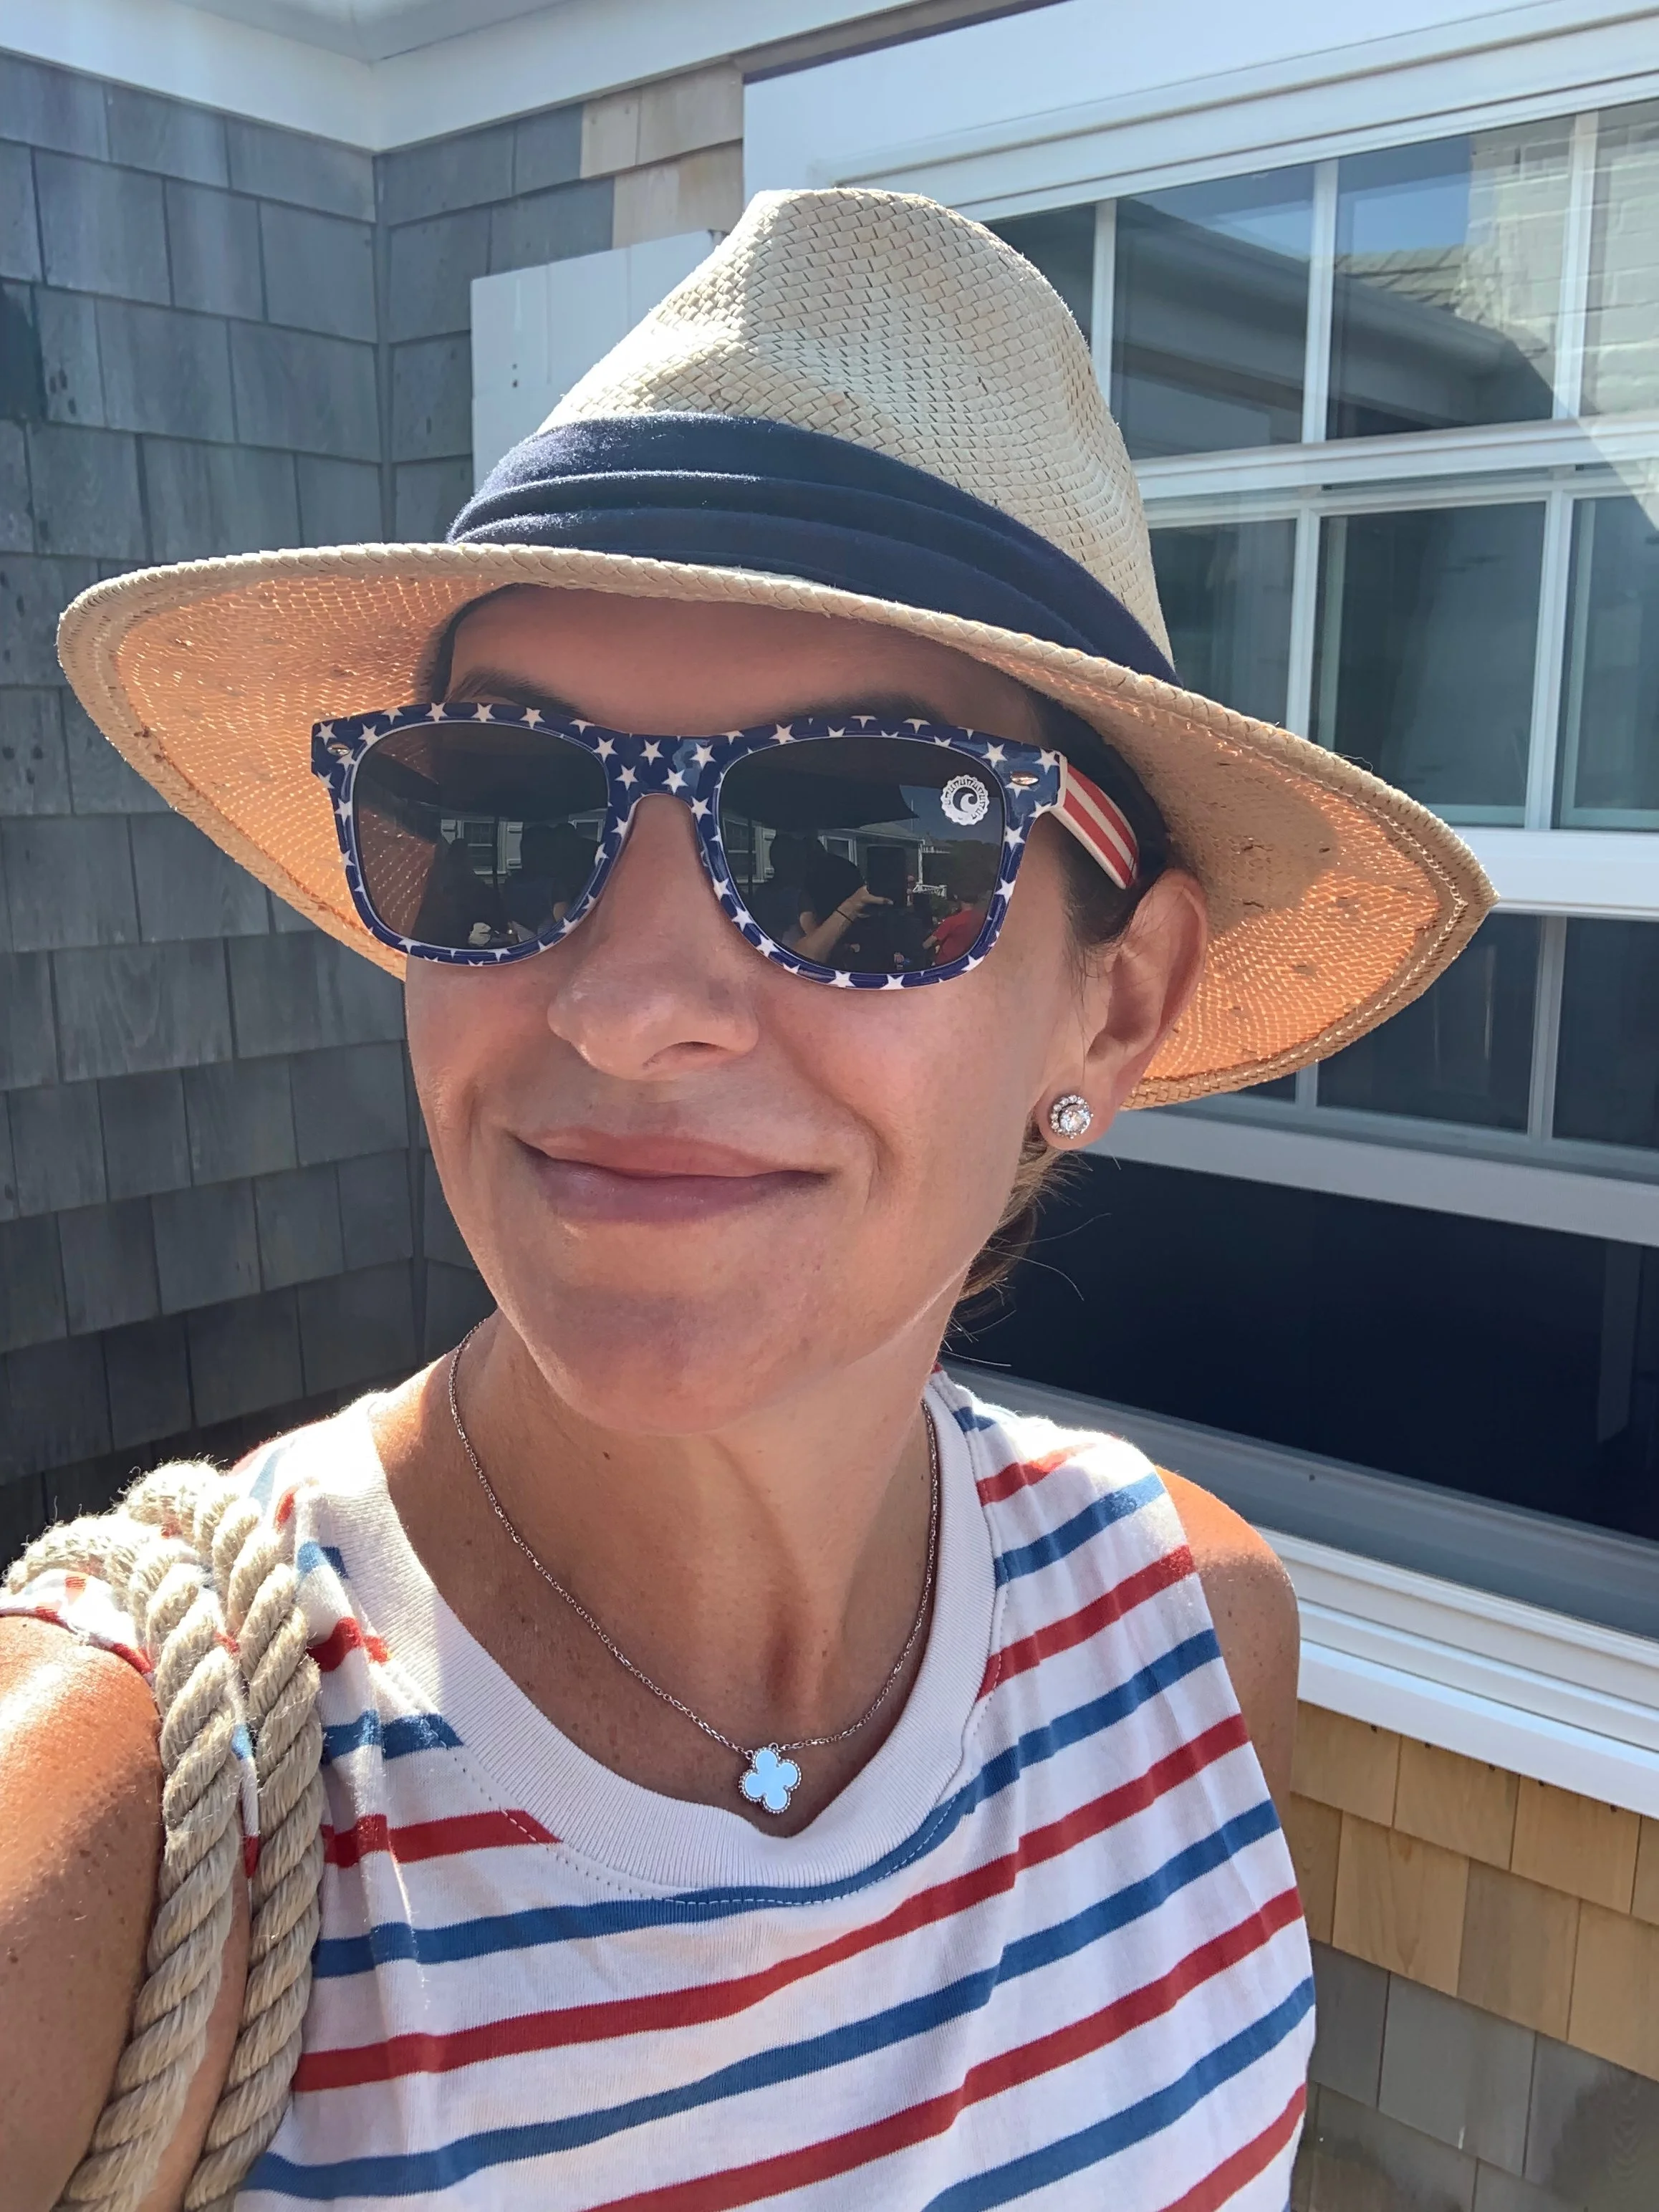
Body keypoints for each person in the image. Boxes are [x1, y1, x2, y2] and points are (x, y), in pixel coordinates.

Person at [0, 188, 1490, 2211]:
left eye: (862, 835)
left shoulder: (1186, 1634)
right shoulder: (141, 1811)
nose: (623, 1010)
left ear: (1114, 1005)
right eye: (494, 813)